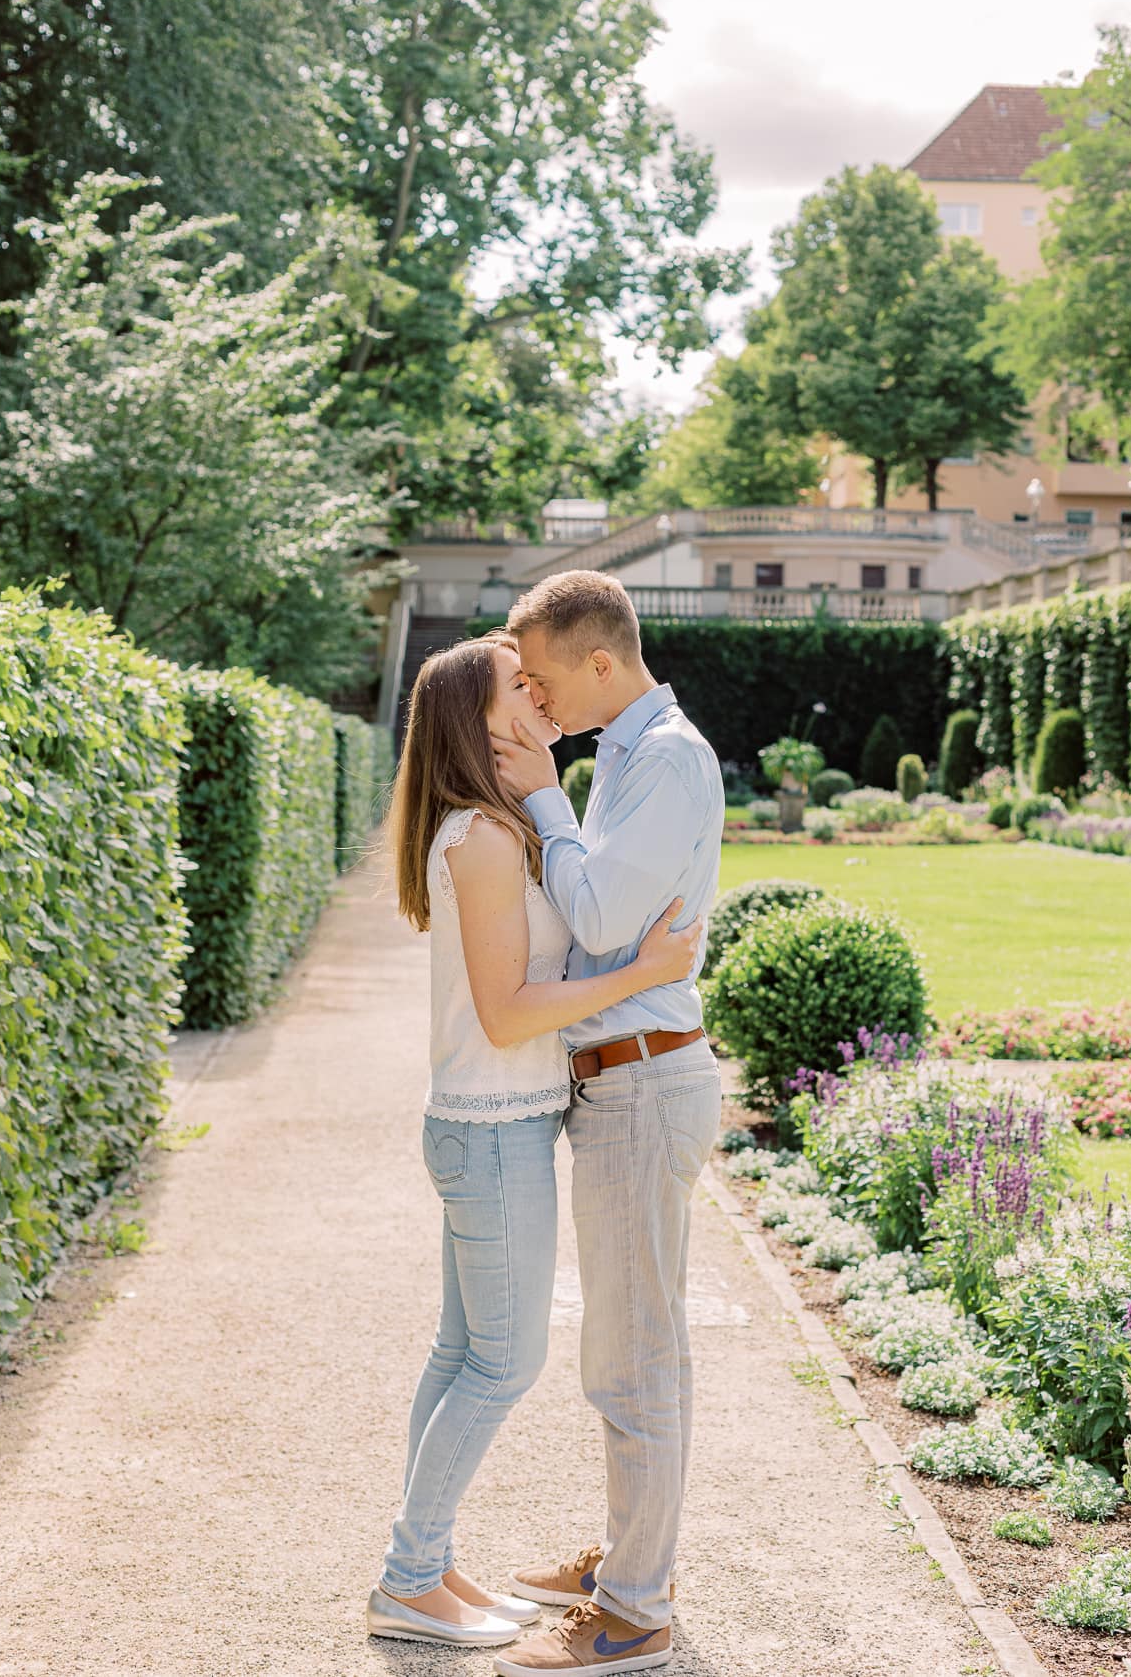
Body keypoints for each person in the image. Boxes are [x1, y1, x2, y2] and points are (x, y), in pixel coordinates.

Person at [366, 633, 701, 1651]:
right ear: (482, 721)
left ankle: (425, 1569)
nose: (540, 692)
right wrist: (642, 971)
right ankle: (408, 1578)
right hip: (492, 1129)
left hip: (493, 1126)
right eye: (521, 686)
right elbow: (512, 1016)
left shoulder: (496, 826)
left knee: (462, 1351)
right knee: (503, 1364)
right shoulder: (480, 837)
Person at [489, 573, 724, 1677]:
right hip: (624, 1078)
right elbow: (605, 932)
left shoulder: (665, 757)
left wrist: (540, 795)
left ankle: (634, 1613)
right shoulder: (631, 753)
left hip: (642, 1080)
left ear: (598, 662)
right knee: (630, 1348)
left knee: (634, 1360)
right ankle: (631, 1563)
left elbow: (595, 913)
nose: (531, 698)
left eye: (538, 676)